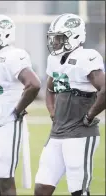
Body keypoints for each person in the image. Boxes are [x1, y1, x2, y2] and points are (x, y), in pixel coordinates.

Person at [34, 13, 105, 196]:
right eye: (55, 38)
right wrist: (52, 113)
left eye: (60, 38)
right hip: (57, 133)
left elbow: (104, 89)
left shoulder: (86, 57)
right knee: (42, 188)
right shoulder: (54, 59)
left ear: (75, 36)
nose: (56, 42)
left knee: (78, 191)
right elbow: (49, 89)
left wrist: (90, 115)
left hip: (80, 133)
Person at [0, 14, 41, 195]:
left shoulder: (13, 55)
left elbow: (33, 84)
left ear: (5, 34)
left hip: (7, 124)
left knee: (5, 179)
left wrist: (17, 110)